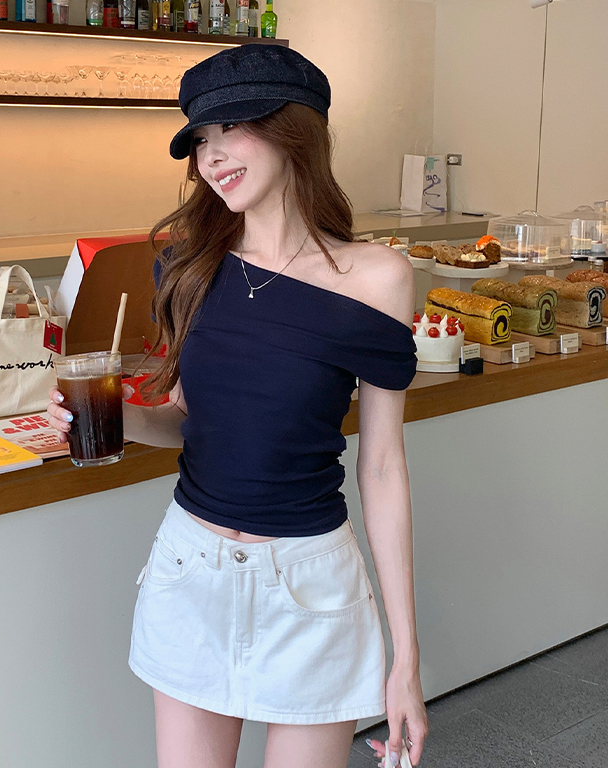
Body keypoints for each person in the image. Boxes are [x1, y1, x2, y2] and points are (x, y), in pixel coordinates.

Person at [48, 44, 428, 768]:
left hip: (311, 584)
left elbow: (382, 466)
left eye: (232, 129)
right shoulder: (189, 268)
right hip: (190, 570)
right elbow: (187, 423)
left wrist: (405, 658)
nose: (212, 156)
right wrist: (117, 417)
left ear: (294, 130)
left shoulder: (377, 277)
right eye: (200, 140)